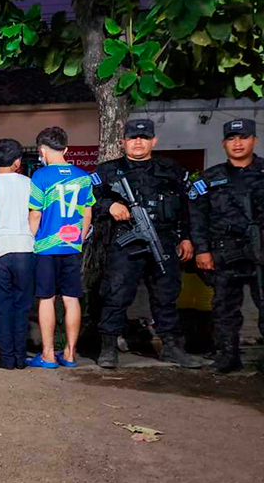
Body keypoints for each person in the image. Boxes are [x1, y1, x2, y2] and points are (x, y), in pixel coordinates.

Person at [93, 119, 201, 369]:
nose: (138, 142)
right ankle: (108, 347)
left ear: (154, 141)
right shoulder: (107, 171)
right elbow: (87, 198)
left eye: (143, 138)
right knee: (116, 293)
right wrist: (109, 205)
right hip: (125, 240)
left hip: (163, 240)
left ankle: (172, 348)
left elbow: (187, 206)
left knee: (166, 294)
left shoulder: (172, 169)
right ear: (123, 142)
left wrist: (186, 237)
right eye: (132, 138)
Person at [189, 119, 263, 372]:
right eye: (232, 138)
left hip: (260, 251)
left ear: (255, 140)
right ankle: (227, 358)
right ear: (224, 144)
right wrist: (201, 250)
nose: (238, 143)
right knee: (224, 308)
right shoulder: (210, 178)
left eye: (243, 137)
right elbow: (197, 216)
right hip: (225, 252)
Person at [26, 128, 94, 369]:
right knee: (71, 298)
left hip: (46, 247)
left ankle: (48, 354)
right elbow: (87, 212)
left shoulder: (41, 176)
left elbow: (35, 213)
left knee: (46, 298)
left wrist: (32, 239)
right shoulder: (84, 176)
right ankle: (70, 353)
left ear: (42, 150)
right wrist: (80, 239)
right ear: (65, 150)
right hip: (72, 246)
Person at [0, 138, 35, 370]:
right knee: (22, 306)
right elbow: (35, 216)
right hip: (25, 249)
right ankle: (20, 357)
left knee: (2, 306)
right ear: (17, 162)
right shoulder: (29, 183)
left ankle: (6, 358)